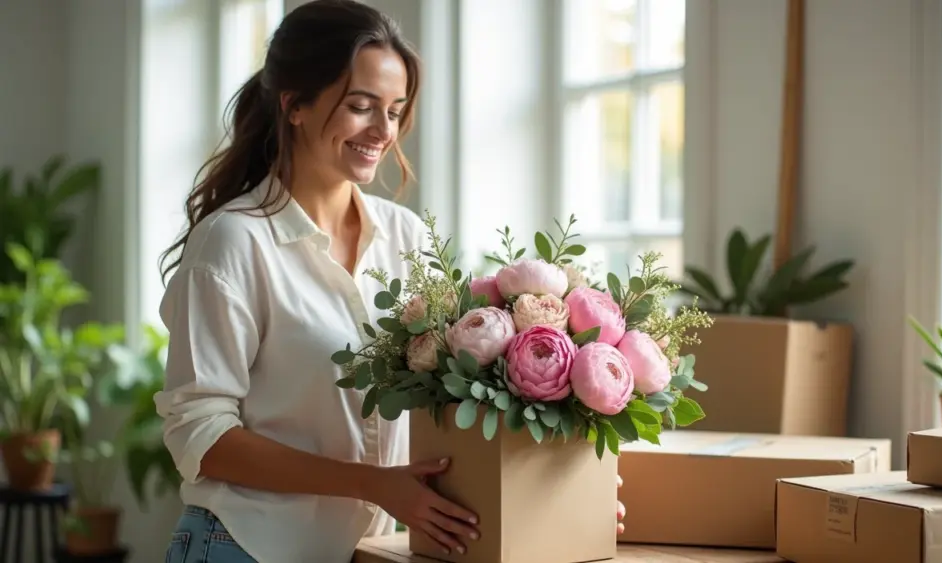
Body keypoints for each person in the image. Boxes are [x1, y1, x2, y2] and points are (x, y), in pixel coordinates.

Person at [154, 1, 624, 561]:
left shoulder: (409, 238)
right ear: (295, 105)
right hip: (247, 545)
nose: (383, 130)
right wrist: (370, 482)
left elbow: (448, 397)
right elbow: (202, 438)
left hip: (378, 552)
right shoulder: (233, 243)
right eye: (360, 106)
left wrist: (556, 483)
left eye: (396, 110)